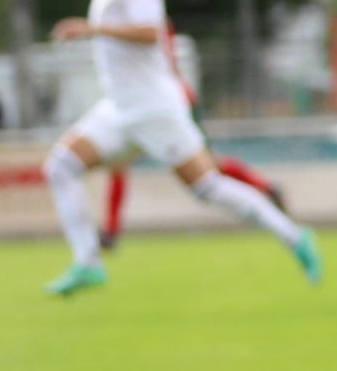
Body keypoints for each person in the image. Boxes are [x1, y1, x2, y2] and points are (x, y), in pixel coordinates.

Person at [39, 0, 322, 296]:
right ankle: (88, 262)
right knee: (60, 167)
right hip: (120, 108)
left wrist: (91, 29)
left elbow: (149, 32)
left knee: (209, 188)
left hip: (155, 108)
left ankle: (296, 237)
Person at [98, 23, 286, 253]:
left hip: (166, 103)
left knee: (206, 167)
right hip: (160, 101)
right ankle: (111, 231)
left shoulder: (144, 21)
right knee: (119, 164)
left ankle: (266, 189)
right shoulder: (144, 16)